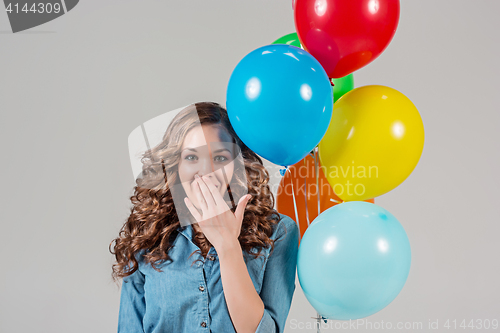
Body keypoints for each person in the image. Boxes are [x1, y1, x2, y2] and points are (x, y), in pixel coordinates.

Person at [109, 101, 299, 333]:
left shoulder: (278, 231)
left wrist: (227, 246)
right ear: (174, 165)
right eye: (191, 158)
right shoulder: (146, 235)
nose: (207, 170)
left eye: (220, 158)